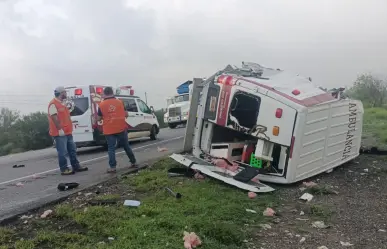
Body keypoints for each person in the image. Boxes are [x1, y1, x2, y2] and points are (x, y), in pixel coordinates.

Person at [48, 86, 89, 175]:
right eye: (65, 92)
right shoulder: (53, 104)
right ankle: (64, 169)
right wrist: (59, 129)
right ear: (61, 93)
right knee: (62, 152)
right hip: (60, 133)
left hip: (67, 132)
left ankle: (76, 166)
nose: (66, 94)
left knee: (72, 150)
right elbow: (54, 118)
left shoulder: (62, 103)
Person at [98, 87, 137, 173]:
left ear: (105, 93)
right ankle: (133, 162)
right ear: (112, 92)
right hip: (121, 128)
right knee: (126, 146)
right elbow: (126, 114)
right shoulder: (120, 102)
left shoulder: (101, 104)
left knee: (111, 149)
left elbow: (99, 118)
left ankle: (113, 167)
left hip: (109, 130)